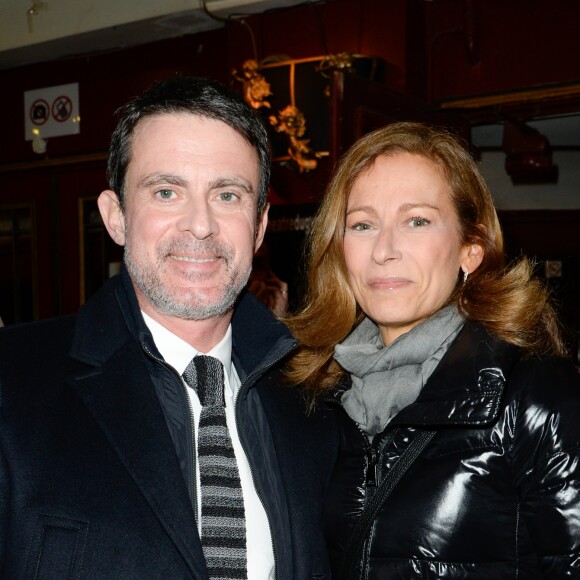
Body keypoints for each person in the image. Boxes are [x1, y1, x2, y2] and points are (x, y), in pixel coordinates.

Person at [0, 76, 338, 579]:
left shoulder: (316, 400)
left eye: (227, 195)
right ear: (115, 217)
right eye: (166, 191)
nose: (199, 225)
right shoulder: (13, 384)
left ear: (261, 225)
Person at [284, 122, 580, 579]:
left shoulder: (535, 395)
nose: (383, 250)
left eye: (416, 221)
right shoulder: (318, 398)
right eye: (362, 225)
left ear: (470, 250)